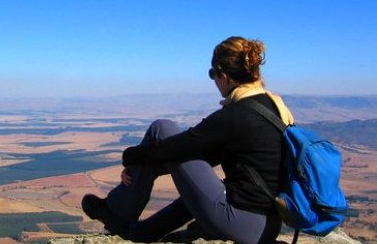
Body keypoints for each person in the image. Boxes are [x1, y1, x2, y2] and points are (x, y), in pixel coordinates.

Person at [81, 36, 295, 244]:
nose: (214, 81)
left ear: (224, 75)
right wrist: (148, 165)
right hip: (268, 226)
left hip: (240, 223)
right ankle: (144, 232)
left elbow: (178, 147)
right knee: (202, 185)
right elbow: (201, 159)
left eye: (213, 74)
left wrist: (130, 158)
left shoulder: (235, 116)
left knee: (162, 128)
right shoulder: (275, 108)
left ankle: (118, 212)